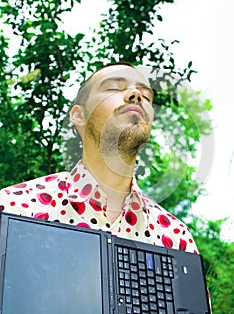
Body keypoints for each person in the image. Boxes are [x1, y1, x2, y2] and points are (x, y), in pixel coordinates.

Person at [0, 62, 198, 253]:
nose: (137, 95)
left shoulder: (176, 239)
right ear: (79, 115)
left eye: (146, 96)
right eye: (113, 88)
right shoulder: (14, 209)